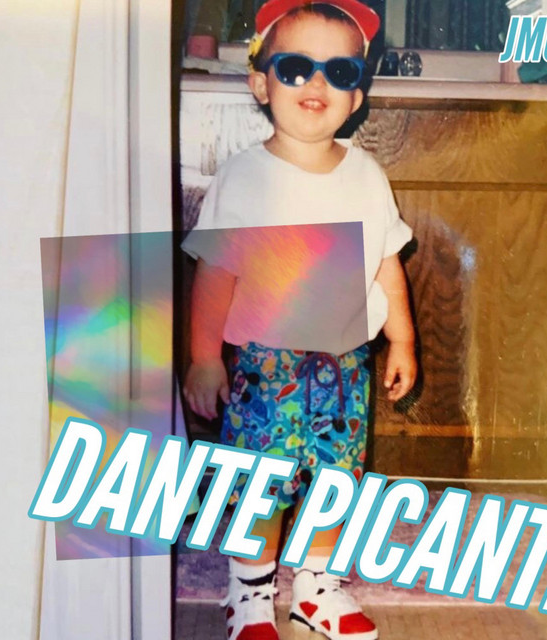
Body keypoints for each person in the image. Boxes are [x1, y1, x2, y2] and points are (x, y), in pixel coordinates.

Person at [182, 1, 417, 639]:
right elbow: (215, 275)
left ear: (357, 96)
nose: (317, 83)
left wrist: (401, 338)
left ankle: (317, 588)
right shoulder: (243, 177)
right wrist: (204, 358)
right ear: (262, 84)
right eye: (294, 68)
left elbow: (386, 262)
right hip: (267, 367)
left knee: (334, 484)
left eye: (339, 72)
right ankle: (248, 592)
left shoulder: (367, 175)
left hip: (345, 369)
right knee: (259, 487)